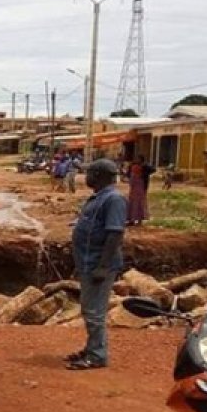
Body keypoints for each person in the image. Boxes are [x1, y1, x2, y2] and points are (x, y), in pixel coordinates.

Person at [67, 159, 128, 371]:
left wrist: (102, 266)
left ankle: (97, 355)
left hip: (98, 264)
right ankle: (92, 347)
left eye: (90, 173)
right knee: (88, 308)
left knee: (94, 312)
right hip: (87, 262)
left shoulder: (114, 199)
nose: (86, 177)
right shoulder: (97, 198)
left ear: (100, 175)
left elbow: (115, 234)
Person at [125, 159, 152, 226]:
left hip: (134, 192)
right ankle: (139, 221)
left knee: (133, 205)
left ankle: (132, 220)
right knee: (140, 205)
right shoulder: (142, 176)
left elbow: (131, 183)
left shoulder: (134, 175)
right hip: (140, 192)